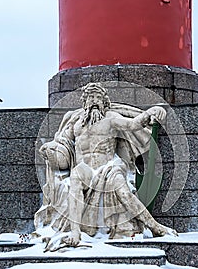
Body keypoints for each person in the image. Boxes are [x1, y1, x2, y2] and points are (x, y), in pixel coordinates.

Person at [34, 83, 177, 248]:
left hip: (109, 168)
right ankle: (75, 232)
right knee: (75, 176)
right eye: (91, 98)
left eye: (98, 98)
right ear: (85, 102)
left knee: (122, 190)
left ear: (104, 102)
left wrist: (149, 113)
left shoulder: (111, 118)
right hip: (85, 170)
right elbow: (63, 149)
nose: (94, 101)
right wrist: (51, 151)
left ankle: (154, 226)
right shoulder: (75, 123)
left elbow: (132, 125)